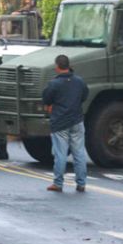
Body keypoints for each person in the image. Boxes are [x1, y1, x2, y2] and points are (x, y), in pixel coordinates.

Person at [41, 55, 89, 192]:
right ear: (69, 65)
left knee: (60, 154)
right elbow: (85, 95)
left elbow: (46, 98)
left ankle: (58, 183)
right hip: (77, 120)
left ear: (57, 67)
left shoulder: (54, 84)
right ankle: (81, 183)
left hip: (60, 122)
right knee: (79, 153)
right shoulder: (79, 81)